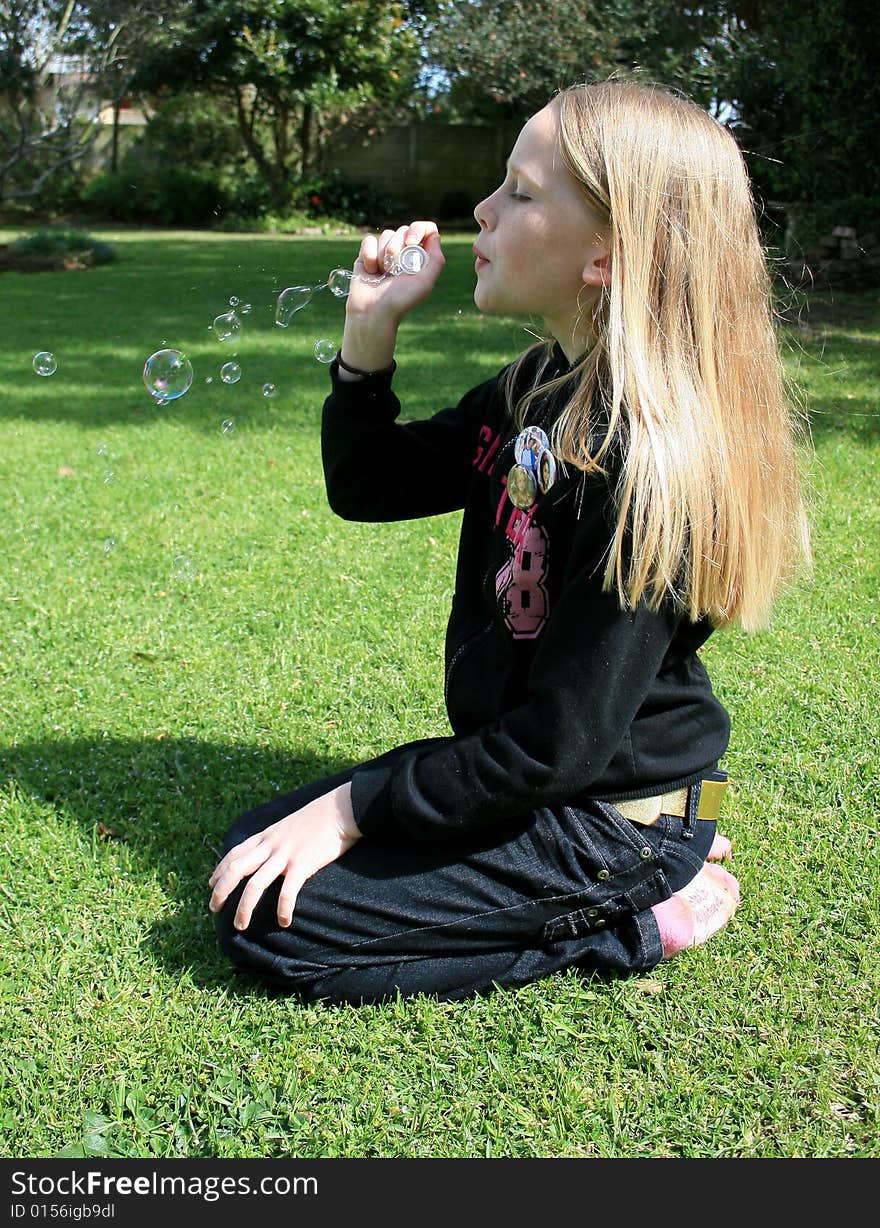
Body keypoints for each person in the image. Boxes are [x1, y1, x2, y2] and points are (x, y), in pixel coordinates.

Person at [208, 79, 811, 1005]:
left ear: (607, 253)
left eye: (521, 193)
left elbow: (556, 745)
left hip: (601, 811)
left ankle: (653, 905)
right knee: (251, 848)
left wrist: (353, 805)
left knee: (282, 933)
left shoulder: (650, 467)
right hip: (539, 778)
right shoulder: (538, 385)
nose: (482, 211)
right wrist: (368, 339)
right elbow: (373, 487)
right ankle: (665, 851)